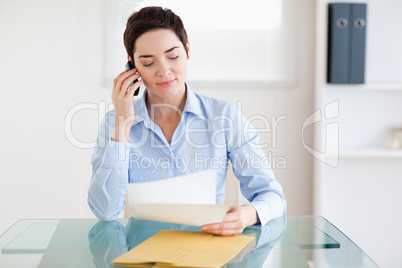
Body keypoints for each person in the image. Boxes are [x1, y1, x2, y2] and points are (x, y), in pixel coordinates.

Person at [88, 6, 286, 236]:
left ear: (187, 50)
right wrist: (122, 126)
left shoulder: (224, 117)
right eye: (148, 62)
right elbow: (105, 211)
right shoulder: (115, 123)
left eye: (172, 56)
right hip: (144, 254)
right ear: (132, 66)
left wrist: (247, 214)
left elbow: (273, 196)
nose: (164, 71)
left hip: (207, 249)